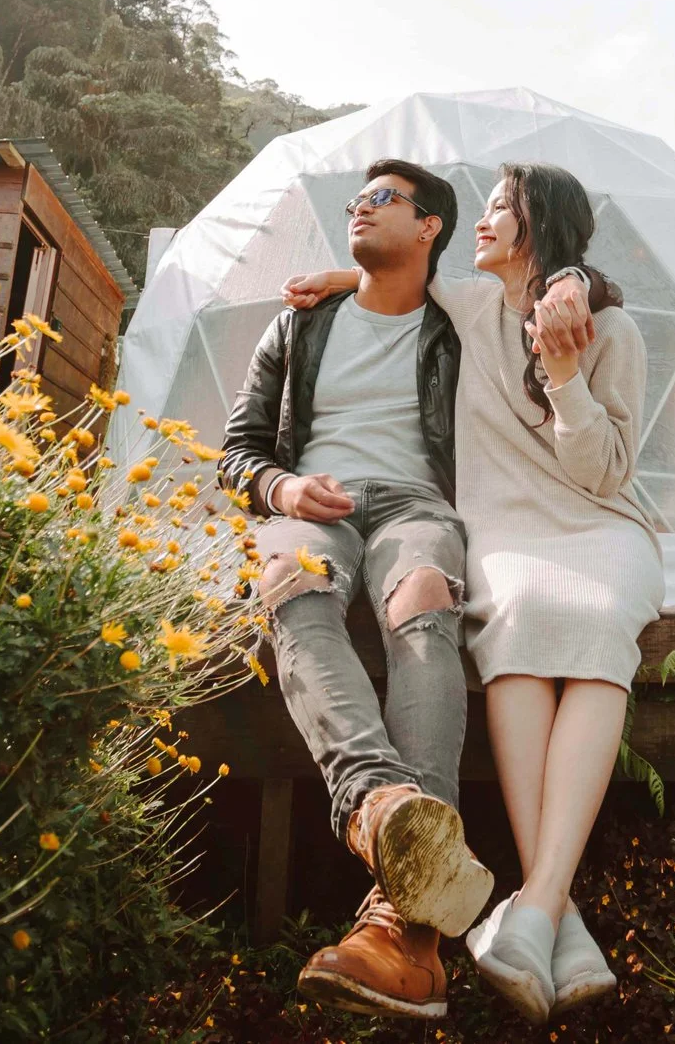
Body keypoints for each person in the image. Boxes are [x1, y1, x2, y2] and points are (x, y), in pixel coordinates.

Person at [286, 161, 660, 1022]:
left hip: (600, 526)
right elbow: (406, 278)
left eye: (500, 208)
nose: (481, 221)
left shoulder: (615, 330)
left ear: (542, 224)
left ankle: (534, 901)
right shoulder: (473, 305)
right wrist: (342, 276)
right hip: (512, 537)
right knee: (518, 625)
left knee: (601, 624)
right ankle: (552, 913)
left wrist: (565, 373)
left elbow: (605, 475)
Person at [218, 159, 494, 1019]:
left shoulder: (460, 328)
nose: (359, 210)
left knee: (422, 601)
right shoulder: (298, 327)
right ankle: (381, 809)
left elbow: (571, 287)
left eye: (382, 199)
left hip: (416, 506)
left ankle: (403, 929)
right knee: (291, 579)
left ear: (431, 227)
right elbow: (237, 452)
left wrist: (387, 285)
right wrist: (284, 490)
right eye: (354, 202)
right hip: (316, 503)